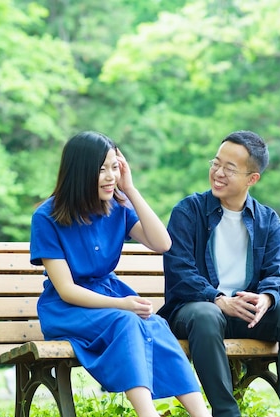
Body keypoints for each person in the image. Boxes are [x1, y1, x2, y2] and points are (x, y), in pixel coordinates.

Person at [30, 131, 210, 417]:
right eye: (101, 169)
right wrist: (121, 304)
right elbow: (66, 290)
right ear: (80, 171)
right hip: (68, 309)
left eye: (115, 167)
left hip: (109, 298)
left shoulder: (118, 207)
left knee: (156, 325)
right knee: (127, 321)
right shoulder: (46, 217)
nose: (111, 176)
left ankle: (202, 414)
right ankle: (146, 413)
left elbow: (162, 243)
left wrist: (132, 190)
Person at [159, 130, 280, 417]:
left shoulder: (267, 220)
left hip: (246, 315)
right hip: (195, 314)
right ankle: (226, 413)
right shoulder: (188, 211)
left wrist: (266, 298)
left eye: (229, 168)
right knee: (206, 315)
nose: (218, 172)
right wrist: (217, 299)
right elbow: (180, 270)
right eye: (215, 163)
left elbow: (278, 271)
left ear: (252, 178)